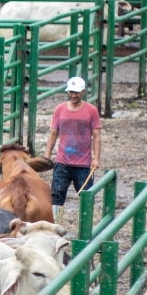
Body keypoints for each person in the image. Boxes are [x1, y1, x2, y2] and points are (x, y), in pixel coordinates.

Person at [43, 76, 101, 224]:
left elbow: (96, 135)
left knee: (86, 195)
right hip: (62, 161)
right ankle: (56, 225)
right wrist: (47, 155)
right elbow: (53, 133)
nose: (73, 95)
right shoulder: (60, 109)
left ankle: (86, 226)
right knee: (56, 195)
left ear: (82, 92)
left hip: (83, 164)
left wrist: (96, 158)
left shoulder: (91, 111)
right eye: (71, 92)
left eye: (76, 92)